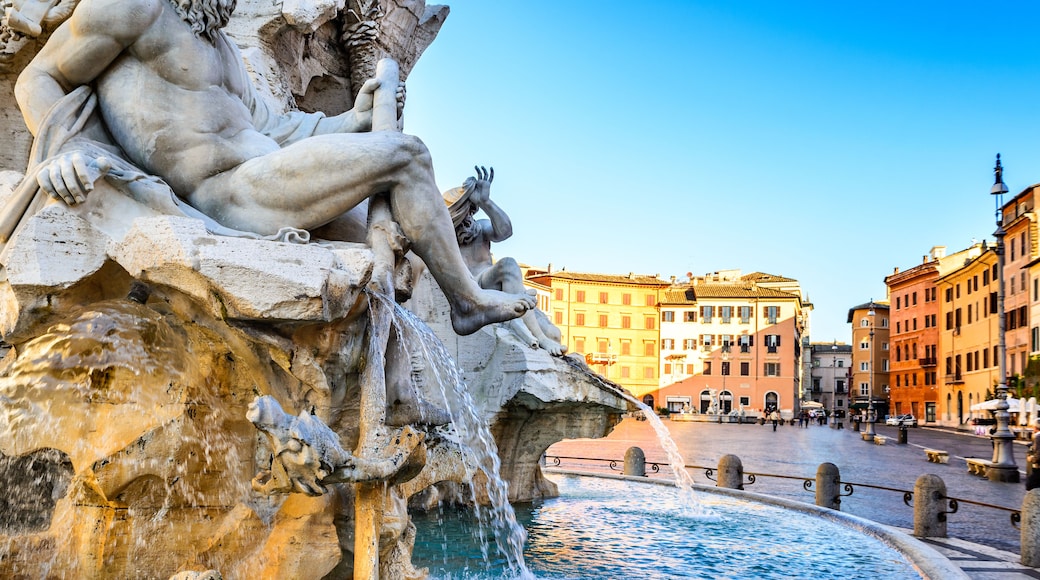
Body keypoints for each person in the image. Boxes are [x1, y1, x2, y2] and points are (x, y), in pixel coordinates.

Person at [13, 0, 534, 336]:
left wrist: (352, 119)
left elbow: (274, 129)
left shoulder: (224, 51)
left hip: (266, 176)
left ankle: (386, 392)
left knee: (392, 249)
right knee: (409, 154)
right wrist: (59, 151)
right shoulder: (133, 8)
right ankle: (466, 301)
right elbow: (38, 77)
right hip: (225, 193)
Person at [443, 167, 566, 355]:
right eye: (463, 213)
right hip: (473, 286)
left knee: (555, 333)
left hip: (497, 285)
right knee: (508, 264)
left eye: (470, 212)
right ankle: (540, 339)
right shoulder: (446, 238)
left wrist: (486, 202)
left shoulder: (480, 228)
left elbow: (506, 231)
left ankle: (543, 336)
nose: (468, 218)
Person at [1027, 419, 1040, 491]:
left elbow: (1039, 453)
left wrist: (1032, 459)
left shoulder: (1038, 437)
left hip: (1037, 465)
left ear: (1036, 427)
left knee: (1030, 485)